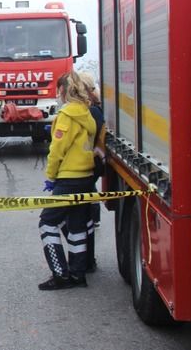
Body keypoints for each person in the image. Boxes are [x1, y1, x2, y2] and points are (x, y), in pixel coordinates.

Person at [38, 71, 96, 290]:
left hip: (68, 178)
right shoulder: (85, 112)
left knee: (47, 222)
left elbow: (57, 150)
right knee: (77, 225)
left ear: (63, 90)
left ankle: (60, 274)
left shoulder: (67, 114)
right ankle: (77, 273)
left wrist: (51, 176)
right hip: (85, 177)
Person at [79, 72, 106, 272]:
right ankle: (88, 261)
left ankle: (83, 264)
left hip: (87, 165)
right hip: (93, 164)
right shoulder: (95, 109)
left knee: (70, 218)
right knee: (85, 212)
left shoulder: (89, 112)